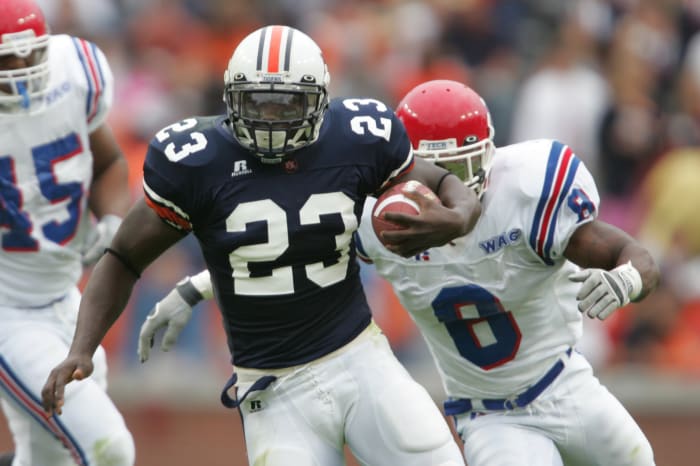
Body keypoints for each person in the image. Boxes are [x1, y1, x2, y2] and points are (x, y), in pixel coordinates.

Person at [140, 79, 660, 466]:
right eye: (430, 174)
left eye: (455, 172)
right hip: (488, 415)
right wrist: (196, 286)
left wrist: (626, 279)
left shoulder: (526, 190)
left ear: (487, 157)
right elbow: (289, 254)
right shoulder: (380, 221)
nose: (436, 191)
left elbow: (629, 252)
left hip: (567, 383)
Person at [41, 26, 481, 466]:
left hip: (360, 358)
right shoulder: (196, 162)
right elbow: (122, 258)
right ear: (231, 96)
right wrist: (81, 347)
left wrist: (460, 215)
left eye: (287, 103)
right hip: (273, 389)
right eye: (257, 101)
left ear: (320, 101)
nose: (270, 117)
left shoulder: (358, 135)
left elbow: (441, 180)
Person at [0, 0, 135, 465]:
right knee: (109, 449)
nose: (18, 70)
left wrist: (112, 222)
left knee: (48, 459)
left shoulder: (75, 70)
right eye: (4, 60)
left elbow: (111, 162)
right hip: (8, 312)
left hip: (66, 298)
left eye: (27, 55)